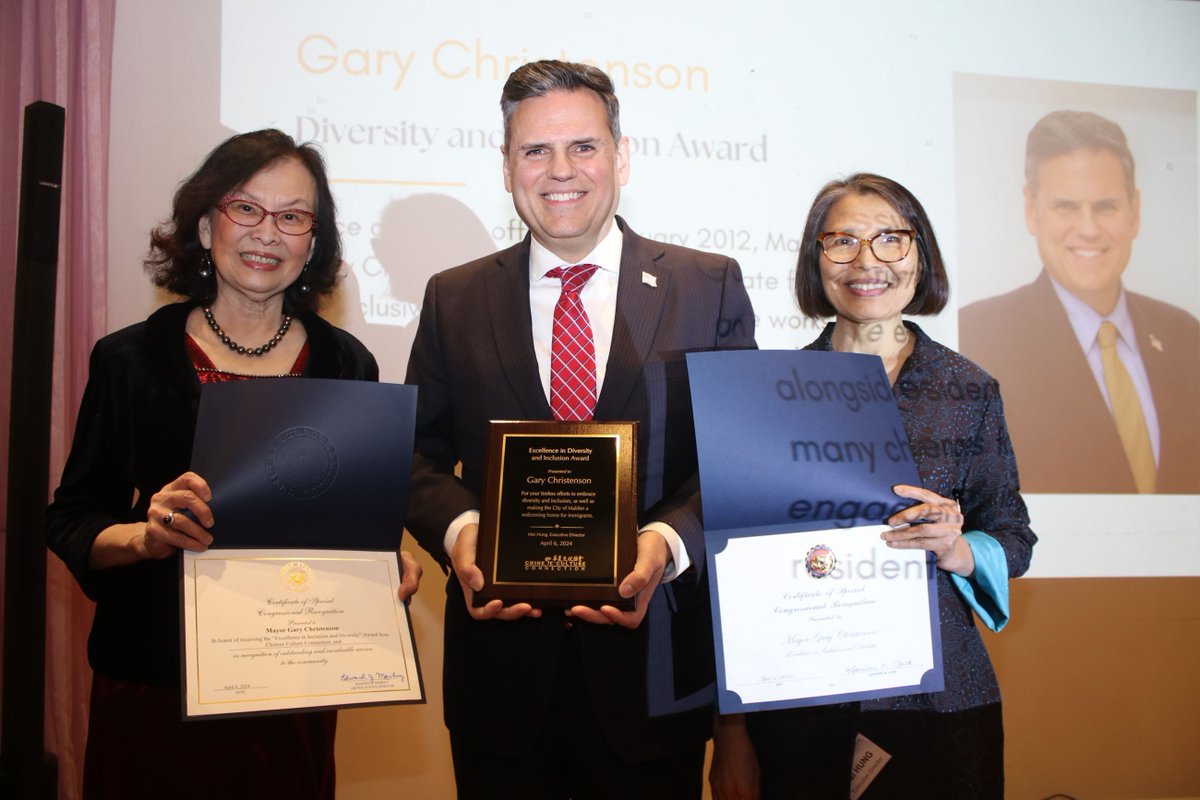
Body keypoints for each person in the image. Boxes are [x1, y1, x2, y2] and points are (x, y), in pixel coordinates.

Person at [404, 60, 756, 799]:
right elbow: (416, 454)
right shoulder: (454, 297)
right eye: (534, 150)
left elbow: (737, 457)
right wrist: (463, 530)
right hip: (499, 681)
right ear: (506, 167)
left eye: (584, 147)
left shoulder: (707, 284)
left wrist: (664, 547)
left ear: (621, 157)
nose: (560, 170)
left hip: (654, 670)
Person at [46, 129, 421, 799]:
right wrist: (142, 535)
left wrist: (383, 556)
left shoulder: (348, 366)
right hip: (154, 688)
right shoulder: (128, 359)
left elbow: (351, 523)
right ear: (204, 221)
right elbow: (72, 520)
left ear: (314, 242)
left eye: (292, 216)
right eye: (245, 207)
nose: (266, 233)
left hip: (295, 688)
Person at [710, 174, 1036, 799]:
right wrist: (731, 734)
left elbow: (1014, 536)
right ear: (817, 261)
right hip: (800, 709)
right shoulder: (767, 396)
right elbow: (734, 581)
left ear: (920, 256)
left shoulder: (968, 390)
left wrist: (959, 548)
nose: (868, 262)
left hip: (940, 705)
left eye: (891, 239)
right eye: (842, 242)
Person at [959, 110, 1200, 493]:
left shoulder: (1186, 336)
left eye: (1106, 206)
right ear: (1031, 210)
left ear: (1134, 211)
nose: (1088, 229)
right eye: (1066, 207)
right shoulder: (975, 339)